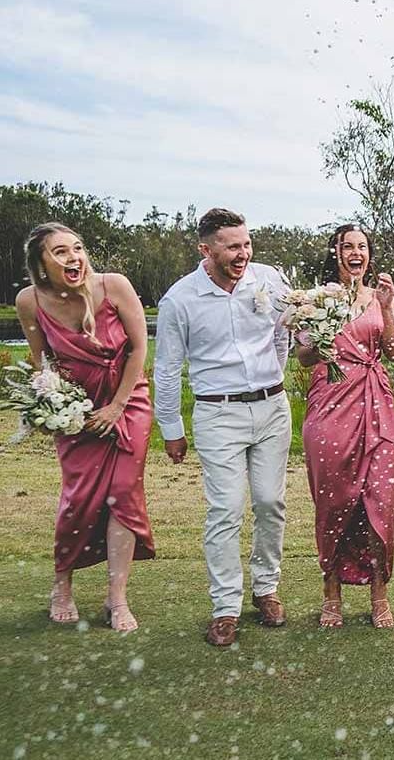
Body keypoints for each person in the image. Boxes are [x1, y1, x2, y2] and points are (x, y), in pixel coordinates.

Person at [154, 208, 293, 647]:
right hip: (218, 413)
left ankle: (266, 588)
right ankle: (225, 606)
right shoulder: (180, 299)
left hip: (272, 408)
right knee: (226, 509)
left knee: (271, 502)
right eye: (232, 246)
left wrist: (274, 381)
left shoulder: (268, 280)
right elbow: (166, 368)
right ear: (206, 249)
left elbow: (283, 334)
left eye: (247, 244)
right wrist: (172, 426)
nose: (243, 253)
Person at [14, 223, 155, 633]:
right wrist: (49, 406)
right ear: (41, 264)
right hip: (75, 408)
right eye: (60, 252)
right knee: (79, 498)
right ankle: (62, 585)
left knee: (124, 495)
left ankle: (117, 598)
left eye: (77, 248)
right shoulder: (29, 301)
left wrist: (116, 405)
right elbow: (43, 364)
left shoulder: (114, 286)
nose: (74, 257)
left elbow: (139, 346)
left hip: (127, 401)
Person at [298, 225, 394, 629]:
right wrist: (323, 331)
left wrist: (389, 307)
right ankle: (331, 593)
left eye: (361, 246)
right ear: (336, 252)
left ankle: (379, 593)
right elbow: (305, 358)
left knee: (380, 498)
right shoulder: (316, 299)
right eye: (347, 246)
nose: (355, 252)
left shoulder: (377, 298)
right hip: (330, 404)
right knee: (333, 499)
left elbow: (392, 351)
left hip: (377, 402)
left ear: (369, 254)